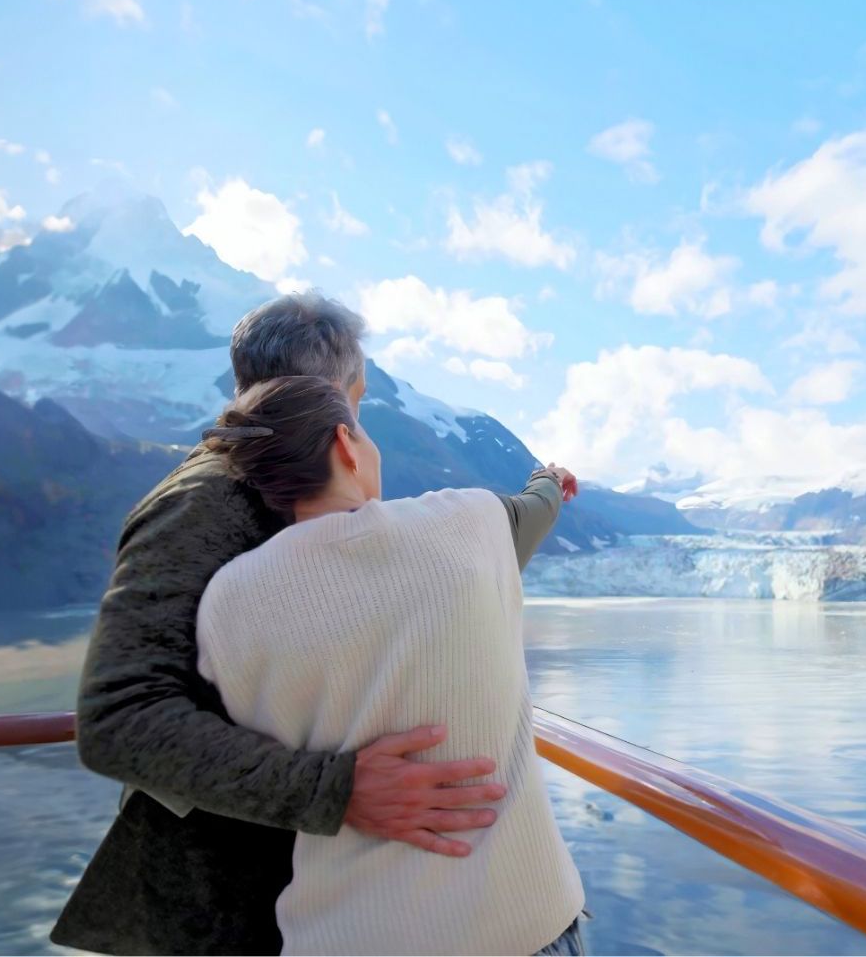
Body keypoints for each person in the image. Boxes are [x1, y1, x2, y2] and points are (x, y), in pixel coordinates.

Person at [53, 294, 510, 955]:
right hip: (218, 909)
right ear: (346, 396)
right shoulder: (204, 503)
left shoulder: (283, 486)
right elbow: (119, 719)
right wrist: (334, 789)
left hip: (290, 893)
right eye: (360, 398)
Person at [194, 375, 585, 955]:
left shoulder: (225, 600)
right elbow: (534, 510)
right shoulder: (468, 522)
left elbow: (248, 745)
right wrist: (548, 478)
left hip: (347, 935)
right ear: (345, 444)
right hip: (518, 921)